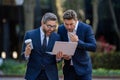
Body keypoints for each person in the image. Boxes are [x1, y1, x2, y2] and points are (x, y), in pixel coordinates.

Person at [57, 9, 97, 80]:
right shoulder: (61, 29)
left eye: (71, 24)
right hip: (68, 69)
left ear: (76, 20)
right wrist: (63, 55)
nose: (69, 27)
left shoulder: (86, 28)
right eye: (66, 24)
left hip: (84, 69)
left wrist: (78, 42)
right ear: (63, 21)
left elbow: (93, 47)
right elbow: (60, 45)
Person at [21, 12, 60, 80]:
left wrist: (58, 58)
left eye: (54, 26)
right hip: (33, 76)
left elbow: (58, 59)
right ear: (42, 23)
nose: (51, 29)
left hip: (51, 76)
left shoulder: (57, 37)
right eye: (49, 26)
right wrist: (27, 54)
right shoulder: (30, 35)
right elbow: (23, 56)